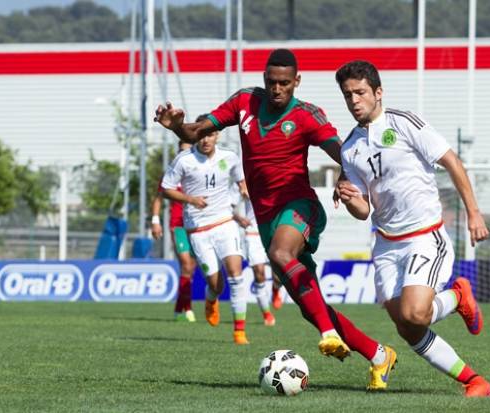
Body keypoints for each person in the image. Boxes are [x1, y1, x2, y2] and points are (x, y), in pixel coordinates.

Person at [154, 49, 397, 391]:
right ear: (264, 79)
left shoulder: (307, 115)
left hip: (300, 207)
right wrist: (176, 125)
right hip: (266, 217)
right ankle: (378, 355)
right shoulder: (244, 102)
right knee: (311, 305)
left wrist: (347, 180)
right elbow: (196, 132)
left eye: (285, 83)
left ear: (296, 81)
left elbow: (344, 152)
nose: (277, 89)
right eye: (271, 82)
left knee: (283, 256)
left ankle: (328, 334)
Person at [335, 60, 490, 397]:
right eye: (348, 95)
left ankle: (457, 296)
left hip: (425, 236)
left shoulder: (404, 123)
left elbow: (451, 161)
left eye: (360, 92)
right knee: (406, 327)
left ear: (378, 93)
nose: (354, 100)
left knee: (416, 313)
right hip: (385, 244)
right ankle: (474, 381)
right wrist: (350, 199)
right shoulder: (349, 147)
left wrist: (474, 213)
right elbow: (364, 210)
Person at [160, 114, 250, 345]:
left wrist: (244, 189)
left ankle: (239, 331)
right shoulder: (184, 160)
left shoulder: (230, 157)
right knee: (215, 284)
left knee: (236, 275)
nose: (205, 139)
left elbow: (242, 181)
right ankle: (211, 298)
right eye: (201, 134)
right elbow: (165, 189)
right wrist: (190, 199)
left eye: (210, 134)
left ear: (217, 134)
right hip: (198, 229)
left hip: (225, 222)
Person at [151, 141, 197, 322]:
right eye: (181, 150)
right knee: (186, 264)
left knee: (191, 268)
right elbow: (158, 198)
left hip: (197, 225)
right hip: (177, 225)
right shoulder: (171, 174)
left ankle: (180, 308)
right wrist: (155, 221)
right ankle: (189, 309)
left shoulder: (198, 172)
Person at [230, 187, 277, 326]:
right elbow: (226, 207)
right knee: (260, 274)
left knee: (279, 276)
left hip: (273, 233)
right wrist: (239, 219)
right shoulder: (243, 182)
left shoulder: (275, 178)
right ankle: (267, 314)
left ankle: (276, 288)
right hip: (253, 234)